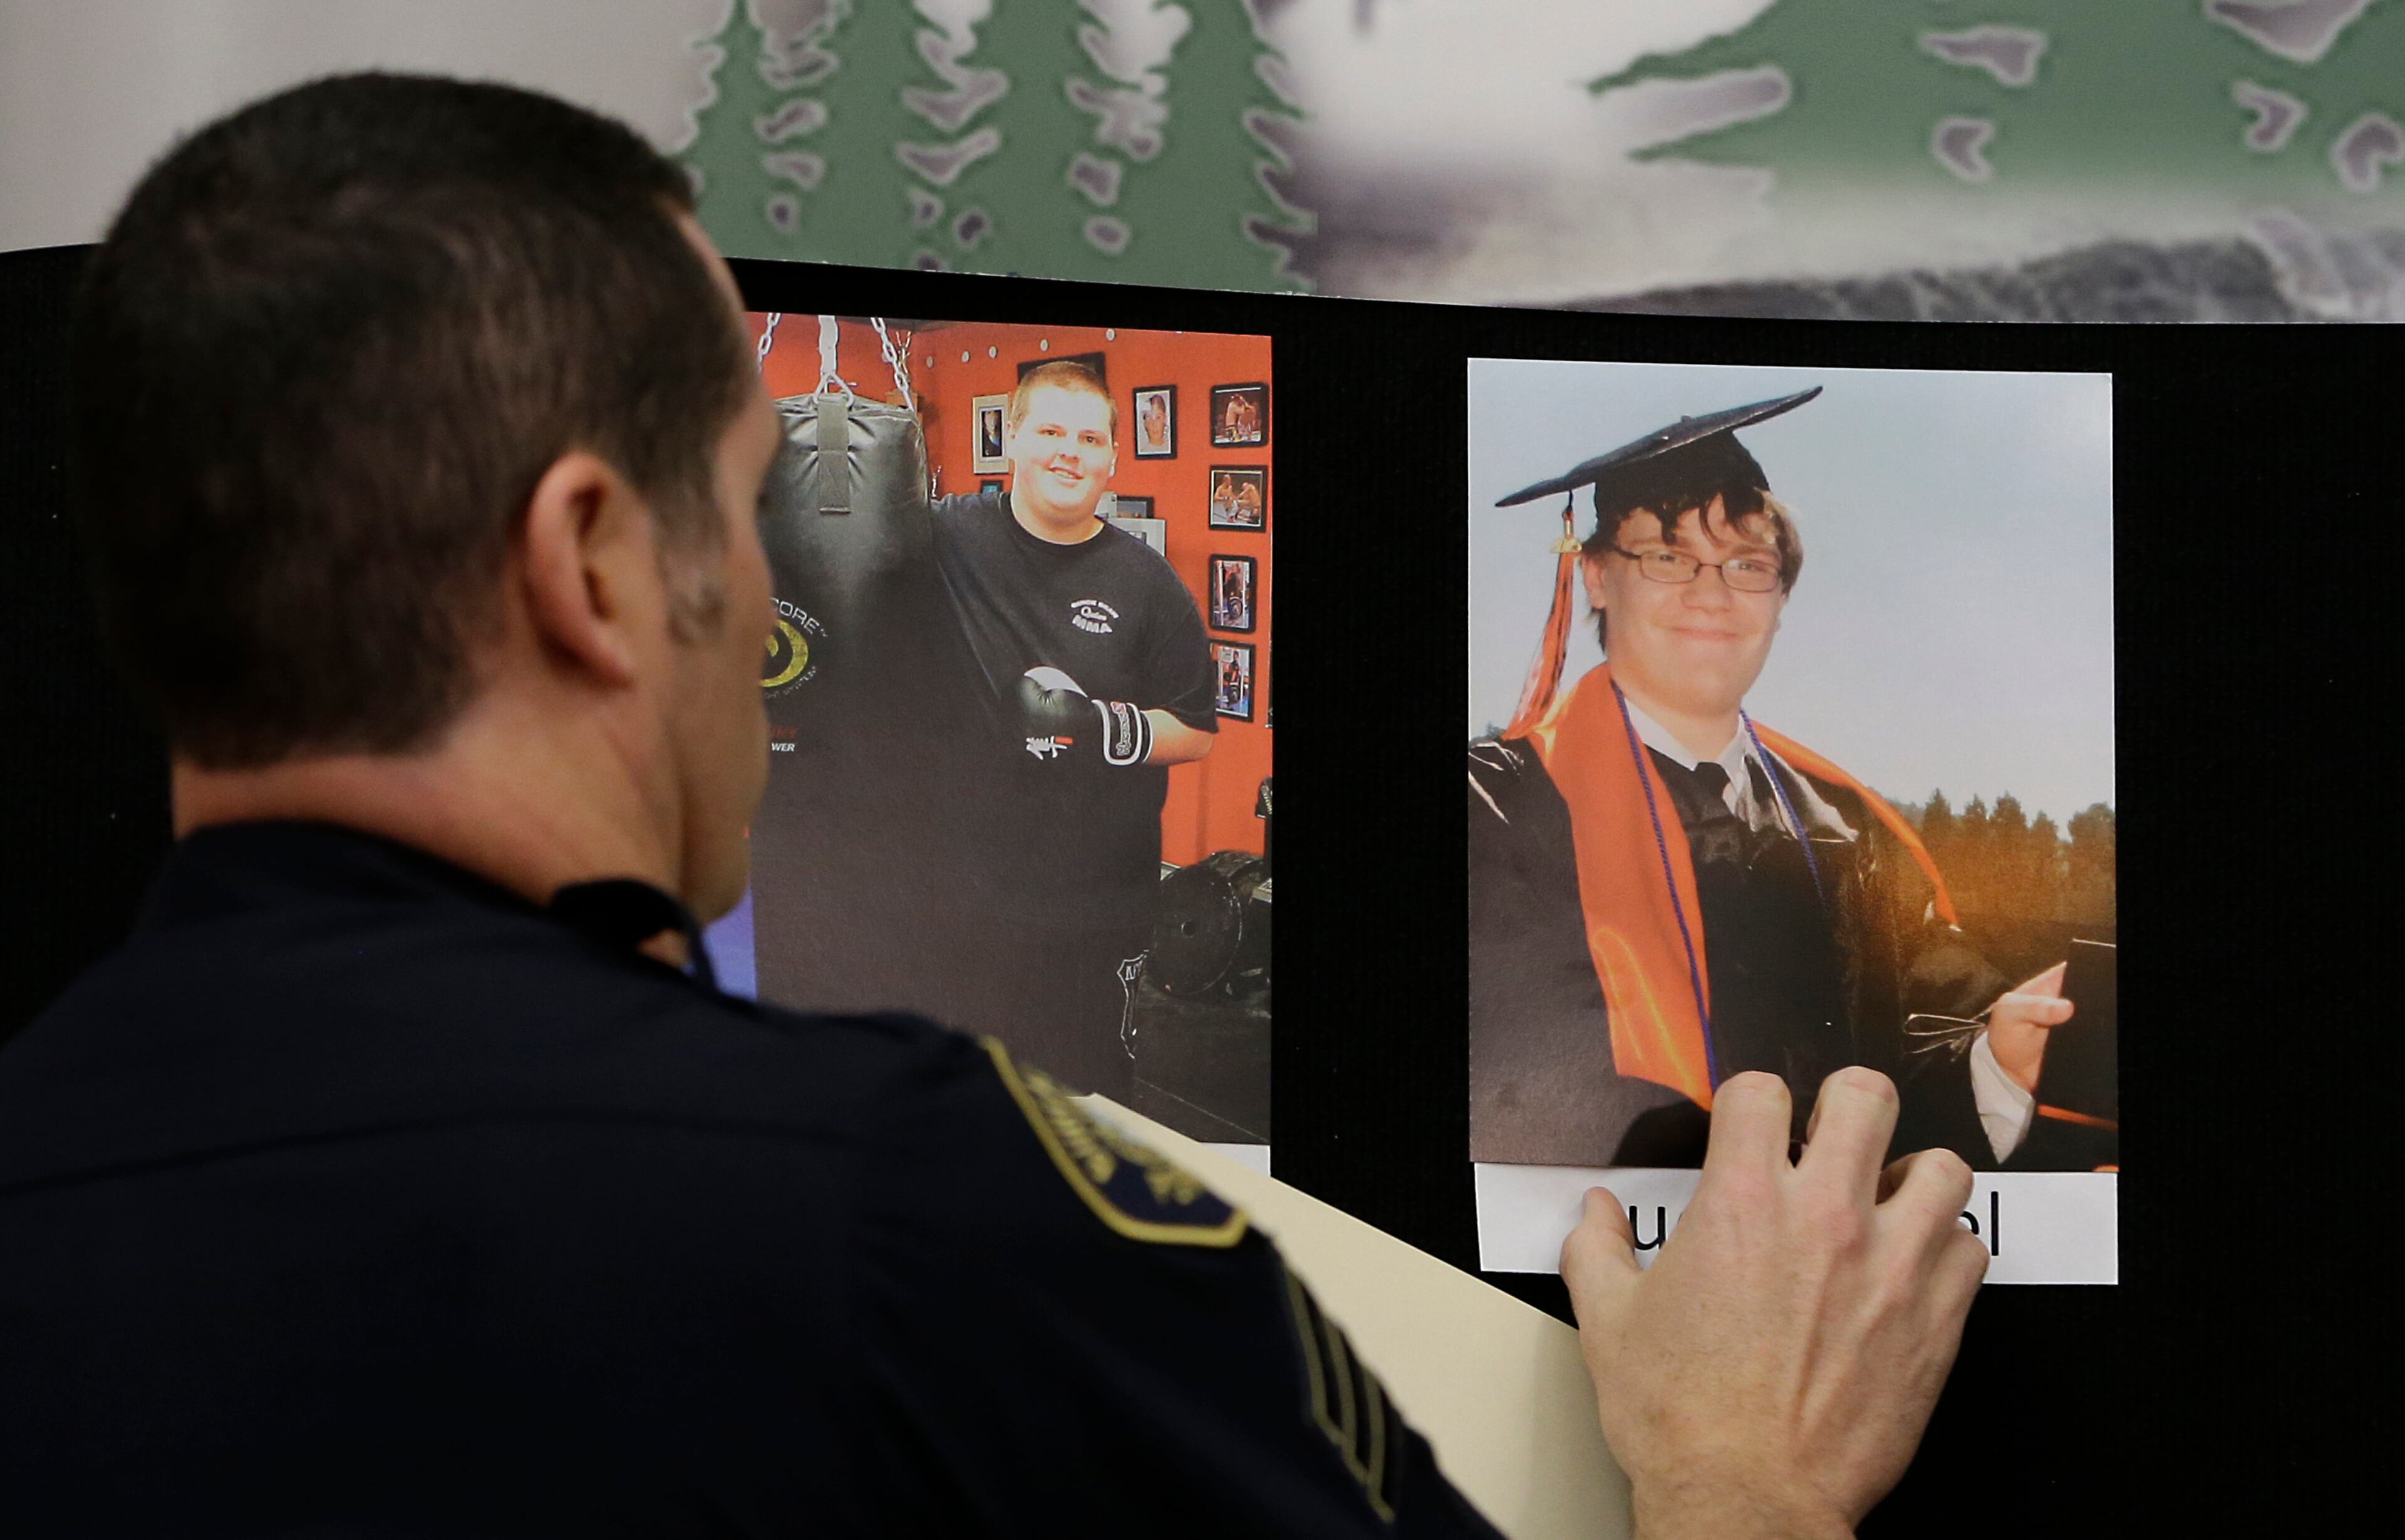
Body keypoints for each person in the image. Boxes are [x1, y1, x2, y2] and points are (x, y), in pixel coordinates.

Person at [0, 73, 1989, 1539]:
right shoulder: (908, 1219)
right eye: (745, 499)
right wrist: (1743, 1474)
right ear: (592, 564)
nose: (778, 596)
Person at [1467, 391, 2101, 1172]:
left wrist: (2004, 1055)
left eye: (1748, 564)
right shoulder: (1492, 809)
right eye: (1667, 557)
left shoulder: (1848, 828)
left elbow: (1914, 1066)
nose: (1712, 592)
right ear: (1596, 575)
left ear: (1780, 599)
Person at [928, 361, 1217, 1102]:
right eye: (1050, 431)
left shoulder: (1149, 584)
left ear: (1113, 459)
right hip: (964, 886)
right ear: (1012, 439)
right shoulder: (946, 537)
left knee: (1085, 1101)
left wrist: (1101, 725)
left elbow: (1196, 729)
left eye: (1089, 438)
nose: (1070, 452)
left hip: (1095, 896)